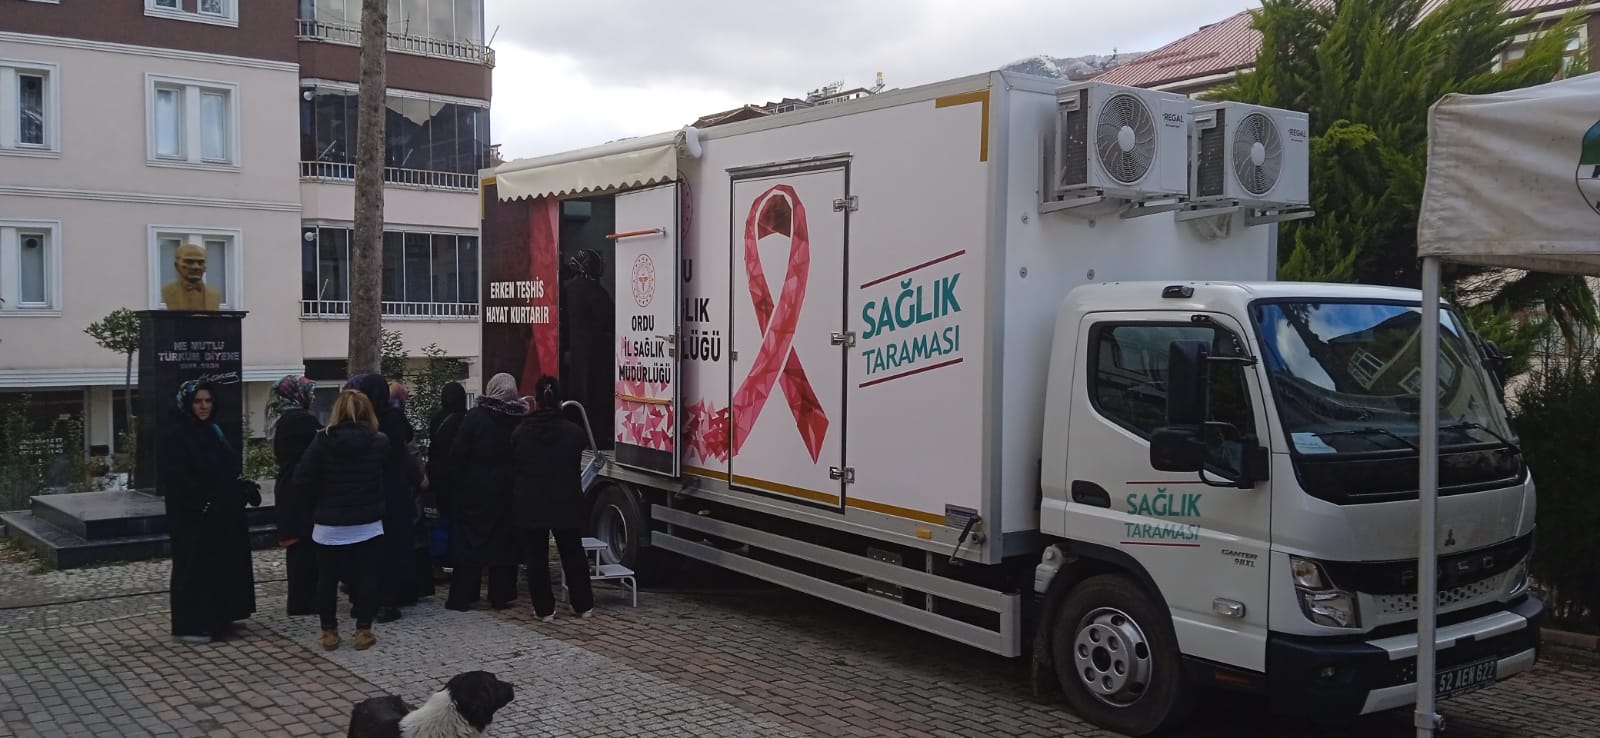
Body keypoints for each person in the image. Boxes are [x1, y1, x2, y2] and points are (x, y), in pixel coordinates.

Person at [160, 380, 259, 644]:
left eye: (208, 401)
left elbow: (223, 467)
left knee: (219, 565)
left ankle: (220, 616)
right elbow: (178, 478)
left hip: (220, 513)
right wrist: (202, 502)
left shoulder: (212, 430)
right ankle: (192, 624)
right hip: (194, 515)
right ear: (187, 403)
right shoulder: (178, 434)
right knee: (195, 568)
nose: (204, 406)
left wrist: (238, 488)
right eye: (198, 401)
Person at [293, 389, 390, 651]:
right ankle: (363, 630)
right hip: (367, 522)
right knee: (367, 578)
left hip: (329, 523)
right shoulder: (379, 442)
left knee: (326, 580)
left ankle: (329, 632)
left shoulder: (321, 441)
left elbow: (301, 478)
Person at [511, 376, 595, 621]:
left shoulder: (522, 431)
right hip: (565, 499)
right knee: (573, 553)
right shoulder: (573, 432)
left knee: (536, 556)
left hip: (531, 500)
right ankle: (583, 605)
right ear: (560, 401)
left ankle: (544, 609)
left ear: (535, 401)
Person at [445, 373, 529, 611]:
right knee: (504, 542)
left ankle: (463, 595)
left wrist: (457, 480)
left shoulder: (476, 416)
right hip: (508, 486)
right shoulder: (520, 419)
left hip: (475, 485)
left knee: (469, 540)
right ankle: (500, 595)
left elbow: (458, 452)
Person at [345, 373, 421, 622]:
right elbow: (405, 445)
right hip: (392, 490)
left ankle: (361, 599)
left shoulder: (359, 418)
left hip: (363, 490)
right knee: (391, 546)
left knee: (364, 549)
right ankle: (388, 600)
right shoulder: (393, 417)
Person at [268, 375, 323, 617]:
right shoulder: (302, 420)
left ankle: (302, 599)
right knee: (305, 546)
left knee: (299, 546)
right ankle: (305, 601)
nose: (312, 397)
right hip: (301, 490)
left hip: (291, 487)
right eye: (309, 392)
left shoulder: (285, 417)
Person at [425, 382, 469, 576]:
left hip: (437, 476)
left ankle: (437, 562)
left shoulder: (437, 418)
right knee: (458, 520)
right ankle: (458, 560)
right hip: (459, 478)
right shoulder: (464, 419)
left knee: (439, 520)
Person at [160, 242, 223, 311]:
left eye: (200, 262)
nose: (196, 267)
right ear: (177, 266)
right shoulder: (168, 291)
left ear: (205, 267)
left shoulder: (214, 293)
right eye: (189, 262)